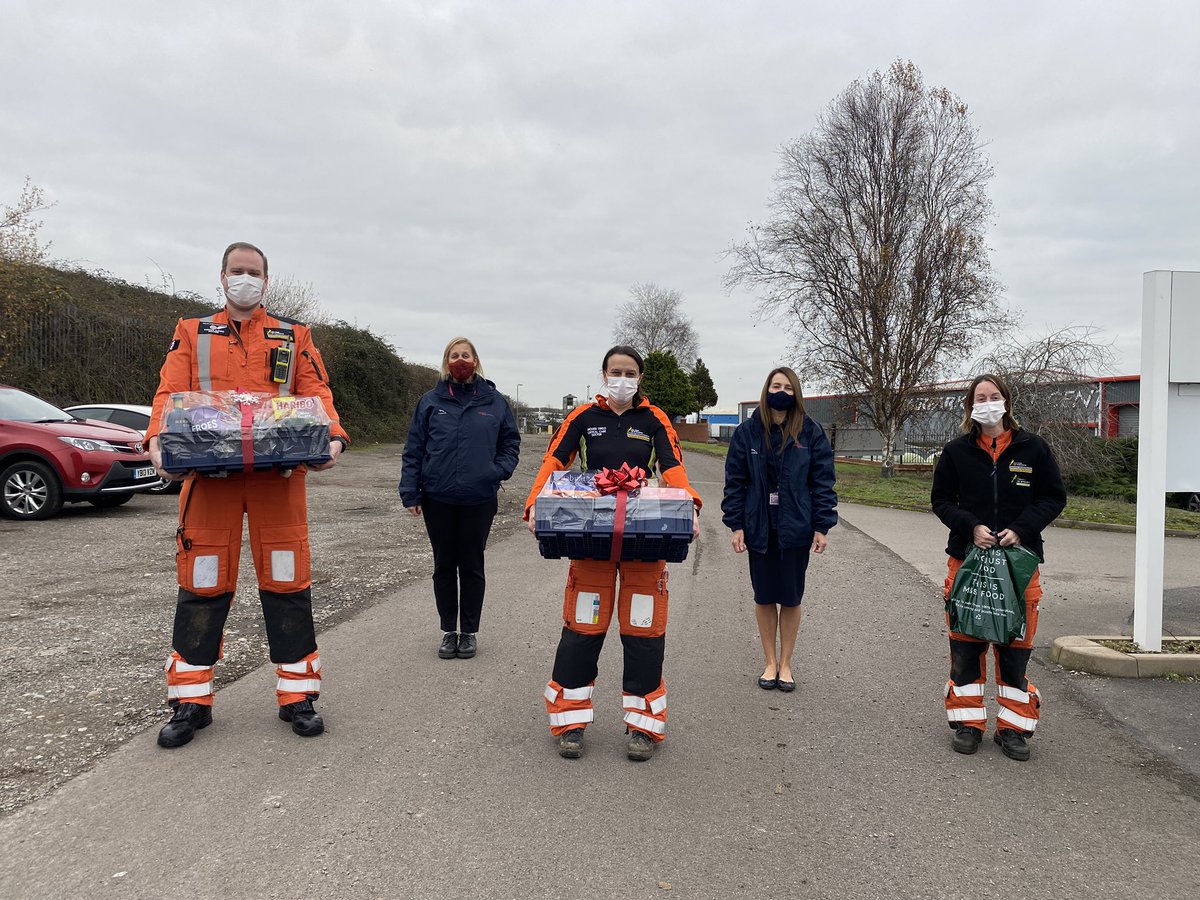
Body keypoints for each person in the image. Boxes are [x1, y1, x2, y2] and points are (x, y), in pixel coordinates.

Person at [146, 241, 350, 748]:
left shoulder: (293, 335)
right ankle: (191, 702)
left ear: (265, 279)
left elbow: (316, 392)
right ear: (222, 277)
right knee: (202, 580)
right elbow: (168, 392)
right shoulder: (191, 332)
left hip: (276, 480)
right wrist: (155, 436)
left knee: (287, 580)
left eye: (254, 272)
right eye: (237, 271)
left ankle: (297, 696)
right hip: (209, 480)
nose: (245, 279)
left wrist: (335, 436)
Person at [524, 346, 701, 762]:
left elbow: (673, 468)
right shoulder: (583, 418)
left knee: (643, 631)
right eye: (615, 371)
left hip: (645, 539)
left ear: (640, 377)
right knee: (582, 630)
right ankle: (570, 722)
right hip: (591, 539)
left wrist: (689, 502)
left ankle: (643, 727)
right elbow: (555, 460)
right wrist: (535, 502)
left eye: (630, 372)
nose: (623, 378)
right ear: (604, 374)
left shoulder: (654, 420)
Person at [931, 373, 1065, 761]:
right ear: (970, 407)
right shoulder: (957, 452)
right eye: (980, 397)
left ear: (1006, 401)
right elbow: (941, 500)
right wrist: (970, 526)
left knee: (1014, 648)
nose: (987, 402)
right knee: (966, 647)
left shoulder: (1033, 449)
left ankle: (1014, 729)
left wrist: (1022, 530)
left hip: (1019, 567)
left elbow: (1053, 498)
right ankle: (968, 724)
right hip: (968, 563)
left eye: (993, 396)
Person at [399, 337, 521, 660]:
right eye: (454, 355)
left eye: (466, 354)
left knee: (471, 565)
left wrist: (496, 471)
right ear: (446, 361)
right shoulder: (430, 402)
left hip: (478, 499)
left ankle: (468, 631)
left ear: (476, 360)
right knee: (443, 566)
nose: (460, 359)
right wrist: (410, 491)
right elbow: (414, 449)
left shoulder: (494, 402)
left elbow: (511, 443)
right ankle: (447, 631)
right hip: (437, 498)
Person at [721, 367, 837, 693]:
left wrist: (822, 526)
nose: (781, 391)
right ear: (766, 388)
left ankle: (786, 664)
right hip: (759, 527)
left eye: (788, 386)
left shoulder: (810, 433)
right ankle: (769, 661)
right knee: (764, 595)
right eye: (776, 385)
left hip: (796, 529)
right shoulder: (747, 433)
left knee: (790, 596)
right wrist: (736, 525)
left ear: (796, 392)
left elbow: (823, 482)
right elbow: (736, 483)